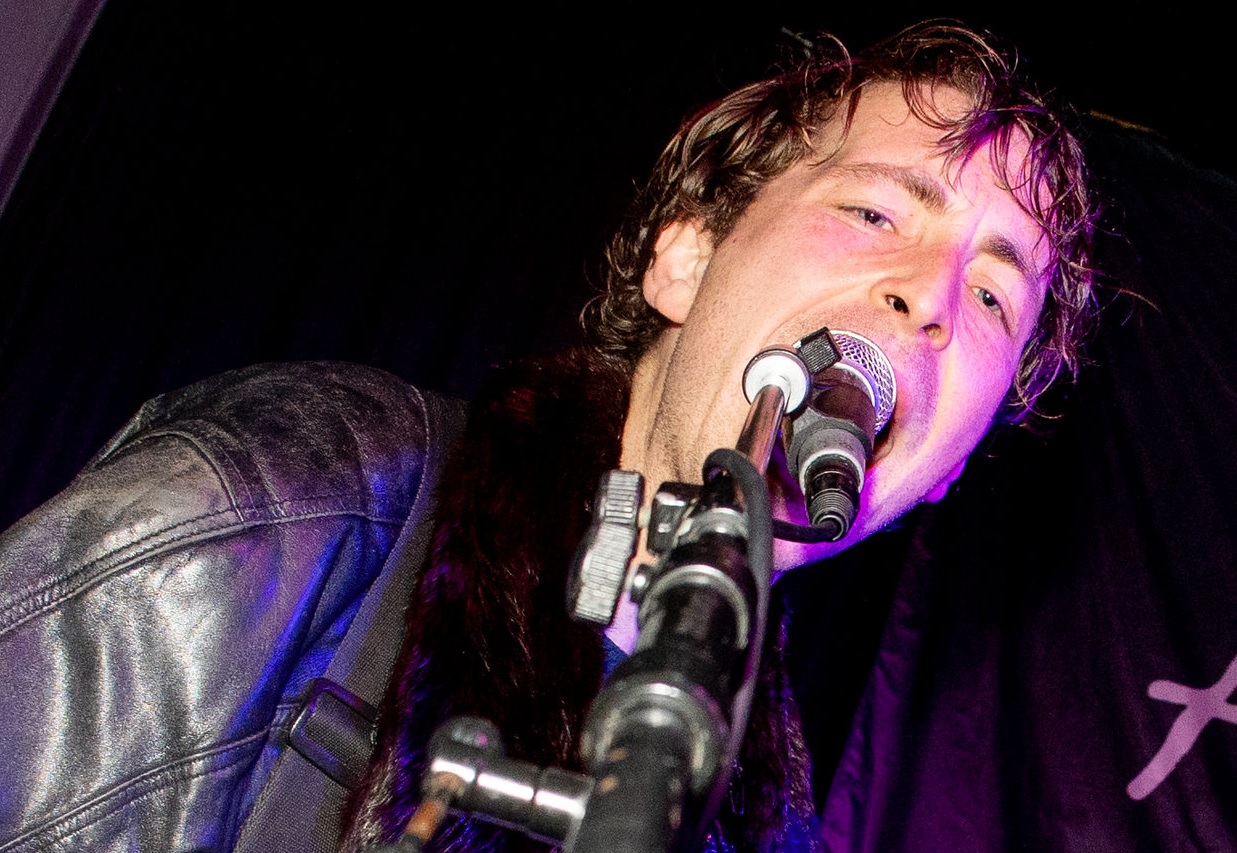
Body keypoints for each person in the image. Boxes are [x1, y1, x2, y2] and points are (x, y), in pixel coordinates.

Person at [0, 19, 1094, 853]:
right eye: (874, 213)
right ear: (686, 261)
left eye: (992, 297)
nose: (929, 296)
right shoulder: (318, 494)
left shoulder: (772, 822)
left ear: (952, 466)